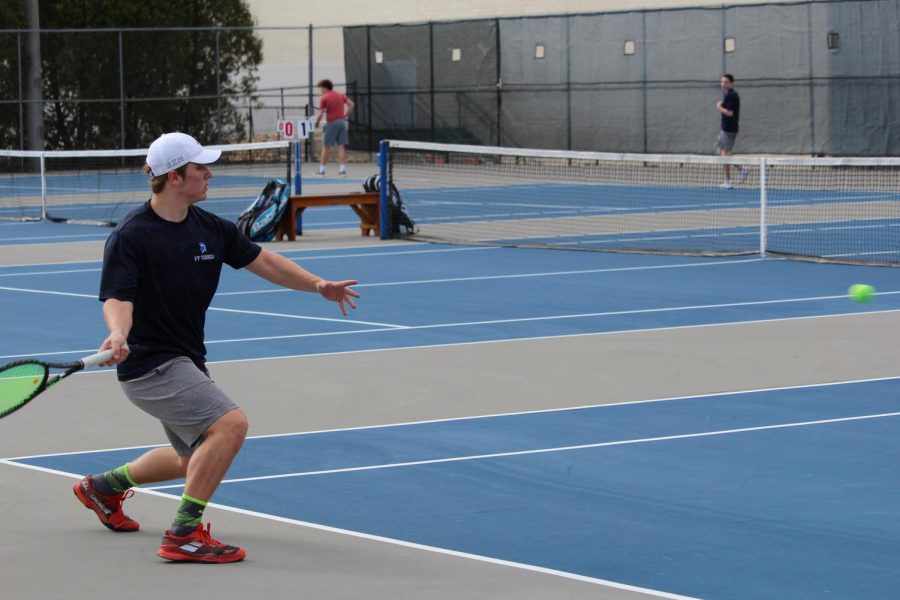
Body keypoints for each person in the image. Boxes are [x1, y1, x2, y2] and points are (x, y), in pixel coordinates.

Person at [72, 132, 360, 563]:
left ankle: (101, 487)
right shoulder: (132, 236)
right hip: (150, 365)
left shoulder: (209, 227)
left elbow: (264, 260)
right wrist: (118, 333)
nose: (209, 173)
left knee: (196, 460)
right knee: (231, 426)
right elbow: (118, 298)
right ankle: (183, 535)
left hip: (185, 358)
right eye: (200, 168)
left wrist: (317, 284)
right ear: (174, 177)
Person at [314, 79, 354, 177]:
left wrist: (317, 122)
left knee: (326, 148)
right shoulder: (340, 95)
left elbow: (320, 113)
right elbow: (351, 105)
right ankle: (342, 171)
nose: (321, 91)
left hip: (331, 123)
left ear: (325, 87)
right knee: (341, 147)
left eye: (321, 88)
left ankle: (322, 171)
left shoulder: (324, 98)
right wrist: (345, 116)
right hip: (341, 123)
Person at [715, 73, 748, 189]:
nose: (723, 84)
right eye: (722, 82)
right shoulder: (731, 94)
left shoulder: (730, 95)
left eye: (726, 82)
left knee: (724, 155)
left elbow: (730, 113)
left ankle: (730, 180)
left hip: (728, 129)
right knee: (722, 152)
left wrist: (719, 107)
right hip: (728, 128)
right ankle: (740, 170)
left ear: (731, 83)